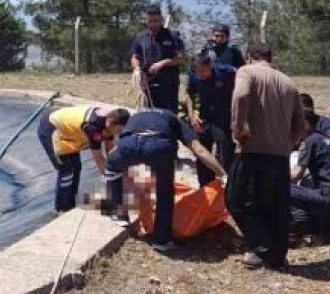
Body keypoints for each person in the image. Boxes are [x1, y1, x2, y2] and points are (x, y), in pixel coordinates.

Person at [104, 107, 226, 252]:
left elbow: (123, 147)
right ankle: (162, 241)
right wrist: (222, 173)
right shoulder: (175, 120)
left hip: (130, 144)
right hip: (160, 147)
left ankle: (119, 215)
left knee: (111, 168)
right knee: (165, 192)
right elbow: (198, 149)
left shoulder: (135, 116)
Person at [227, 43, 305, 270]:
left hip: (252, 150)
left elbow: (241, 95)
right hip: (279, 154)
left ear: (249, 57)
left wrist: (238, 127)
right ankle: (277, 256)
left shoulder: (246, 72)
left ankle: (263, 248)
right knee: (275, 205)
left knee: (236, 199)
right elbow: (300, 123)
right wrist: (288, 143)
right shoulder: (288, 81)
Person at [38, 105, 130, 213]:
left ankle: (71, 203)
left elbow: (110, 150)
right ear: (112, 123)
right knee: (66, 171)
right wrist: (110, 182)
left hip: (70, 132)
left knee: (76, 167)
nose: (119, 134)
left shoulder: (110, 121)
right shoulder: (93, 127)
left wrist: (118, 174)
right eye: (119, 131)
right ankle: (62, 208)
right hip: (51, 128)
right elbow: (98, 158)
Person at [289, 117, 330, 242]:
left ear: (305, 124)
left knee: (283, 188)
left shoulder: (310, 141)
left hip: (329, 199)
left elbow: (296, 174)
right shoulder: (326, 139)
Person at [184, 53, 237, 185]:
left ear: (211, 66)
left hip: (223, 117)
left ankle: (227, 186)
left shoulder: (225, 71)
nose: (200, 74)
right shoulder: (193, 75)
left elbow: (242, 74)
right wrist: (192, 115)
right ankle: (205, 186)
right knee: (202, 153)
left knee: (225, 152)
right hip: (204, 117)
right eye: (197, 71)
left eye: (202, 71)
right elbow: (190, 95)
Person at [130, 6, 184, 111]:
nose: (153, 24)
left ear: (161, 20)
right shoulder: (140, 37)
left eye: (156, 21)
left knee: (167, 116)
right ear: (146, 21)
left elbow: (180, 58)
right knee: (147, 115)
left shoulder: (172, 36)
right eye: (150, 21)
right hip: (147, 84)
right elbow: (135, 57)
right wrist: (137, 69)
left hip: (168, 85)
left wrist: (163, 63)